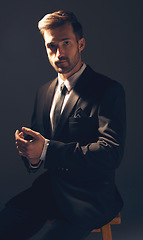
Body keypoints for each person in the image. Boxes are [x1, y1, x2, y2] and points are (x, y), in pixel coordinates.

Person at [0, 10, 126, 240]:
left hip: (92, 196)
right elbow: (38, 150)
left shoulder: (108, 90)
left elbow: (111, 153)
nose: (58, 53)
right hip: (51, 190)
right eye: (51, 46)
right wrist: (32, 155)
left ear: (81, 44)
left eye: (66, 43)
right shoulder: (43, 92)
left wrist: (47, 149)